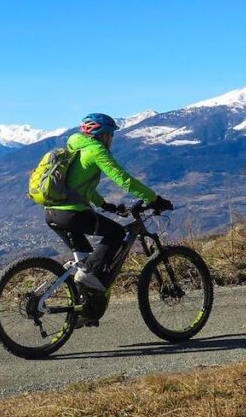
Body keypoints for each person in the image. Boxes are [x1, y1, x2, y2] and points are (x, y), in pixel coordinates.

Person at [45, 113, 172, 292]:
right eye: (111, 134)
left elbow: (79, 186)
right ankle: (87, 276)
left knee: (86, 259)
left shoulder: (78, 148)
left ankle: (83, 307)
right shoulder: (97, 150)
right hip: (72, 214)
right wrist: (154, 199)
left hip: (53, 212)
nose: (111, 139)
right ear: (104, 135)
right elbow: (123, 179)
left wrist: (104, 205)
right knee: (117, 233)